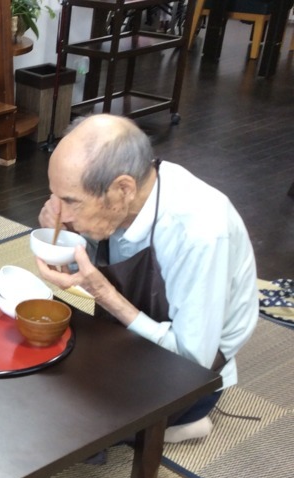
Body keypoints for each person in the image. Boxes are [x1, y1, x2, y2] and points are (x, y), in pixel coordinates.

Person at [34, 114, 258, 443]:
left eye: (70, 201)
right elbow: (104, 252)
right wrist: (65, 238)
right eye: (55, 195)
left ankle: (188, 421)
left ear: (123, 188)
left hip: (188, 371)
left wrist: (103, 292)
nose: (59, 210)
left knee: (81, 426)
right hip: (129, 336)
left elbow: (192, 361)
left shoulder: (199, 233)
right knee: (44, 372)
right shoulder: (132, 194)